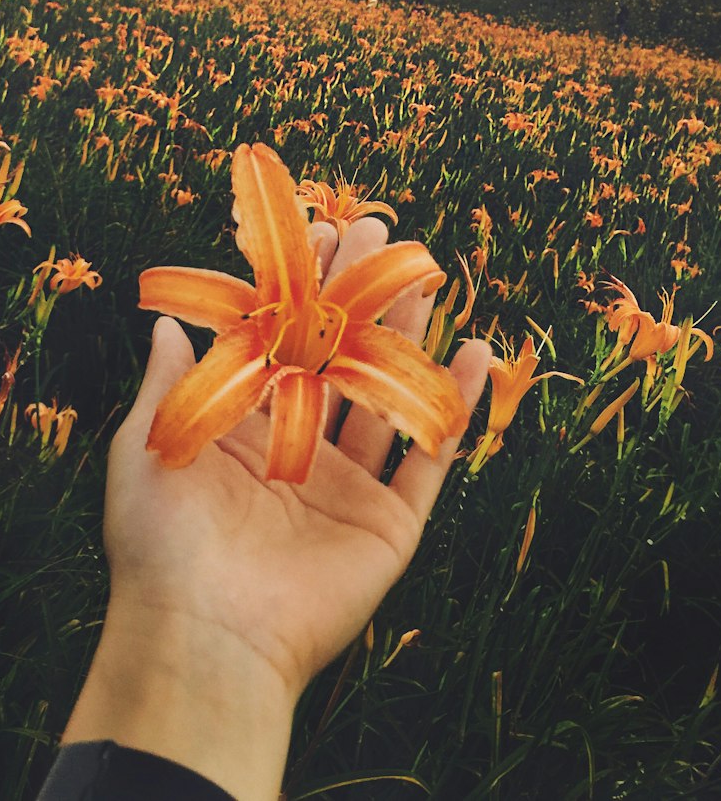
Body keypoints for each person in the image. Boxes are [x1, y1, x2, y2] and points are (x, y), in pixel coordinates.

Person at [37, 218, 491, 800]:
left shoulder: (337, 354)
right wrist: (197, 630)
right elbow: (165, 300)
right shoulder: (246, 324)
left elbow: (411, 277)